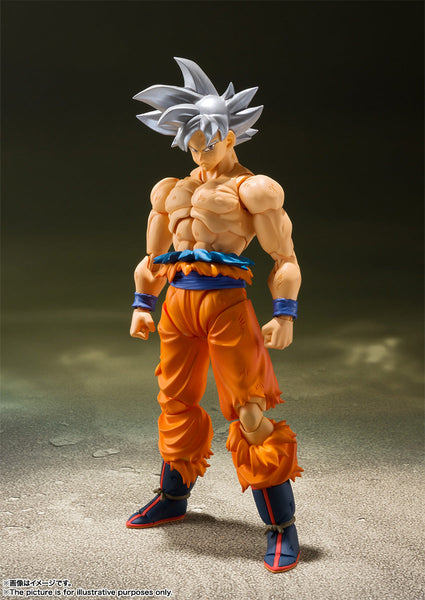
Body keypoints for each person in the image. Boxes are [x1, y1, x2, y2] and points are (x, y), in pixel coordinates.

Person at [126, 58, 303, 573]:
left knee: (249, 412)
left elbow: (285, 258)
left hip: (227, 305)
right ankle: (172, 497)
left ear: (230, 136)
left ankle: (281, 527)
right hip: (177, 304)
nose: (200, 152)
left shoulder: (254, 190)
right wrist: (142, 303)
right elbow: (152, 258)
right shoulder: (170, 190)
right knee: (175, 402)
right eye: (191, 144)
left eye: (208, 142)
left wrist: (285, 314)